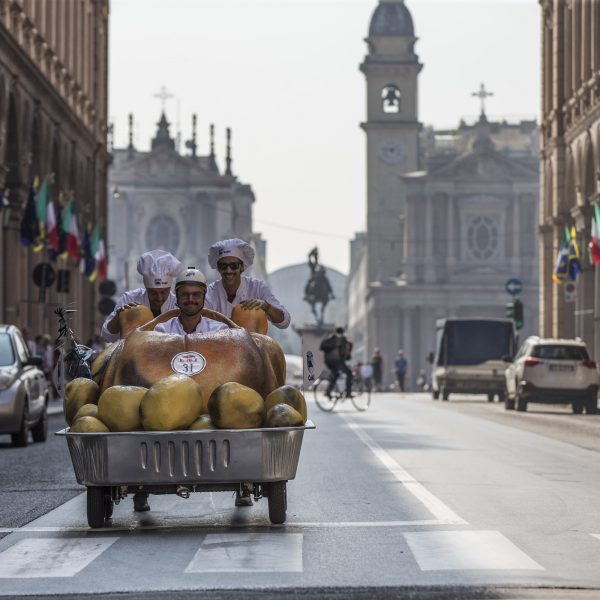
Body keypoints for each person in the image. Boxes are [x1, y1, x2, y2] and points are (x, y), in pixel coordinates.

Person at [205, 238, 290, 329]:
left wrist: (266, 306)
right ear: (218, 268)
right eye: (223, 266)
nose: (228, 270)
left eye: (234, 266)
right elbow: (201, 321)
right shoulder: (210, 292)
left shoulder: (258, 288)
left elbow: (284, 321)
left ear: (242, 267)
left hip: (253, 342)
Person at [101, 249, 182, 343]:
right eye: (153, 293)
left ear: (169, 288)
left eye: (163, 292)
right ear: (146, 288)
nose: (159, 298)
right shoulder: (130, 298)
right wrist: (119, 316)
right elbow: (107, 336)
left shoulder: (178, 305)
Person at [155, 268, 227, 335]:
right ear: (177, 296)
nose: (190, 299)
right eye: (185, 294)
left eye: (196, 294)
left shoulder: (219, 331)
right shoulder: (162, 331)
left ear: (204, 297)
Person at [319, 326, 353, 398]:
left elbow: (346, 348)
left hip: (335, 361)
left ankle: (328, 391)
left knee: (336, 374)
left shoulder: (342, 339)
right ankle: (348, 393)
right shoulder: (332, 338)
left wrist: (348, 353)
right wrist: (334, 345)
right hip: (334, 361)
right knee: (349, 373)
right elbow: (322, 346)